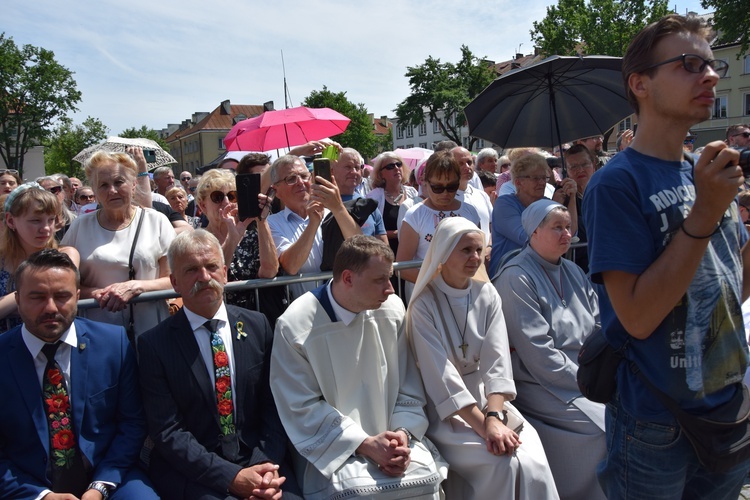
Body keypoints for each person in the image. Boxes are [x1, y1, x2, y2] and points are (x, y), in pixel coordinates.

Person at [583, 14, 750, 498]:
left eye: (711, 64)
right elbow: (635, 318)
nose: (712, 76)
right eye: (689, 64)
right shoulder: (617, 182)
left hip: (726, 406)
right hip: (656, 421)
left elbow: (731, 285)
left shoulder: (705, 174)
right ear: (641, 84)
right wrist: (704, 212)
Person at [270, 235, 445, 499]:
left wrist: (401, 436)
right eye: (379, 280)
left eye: (390, 277)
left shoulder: (392, 309)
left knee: (427, 482)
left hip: (393, 439)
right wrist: (365, 444)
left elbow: (409, 387)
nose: (391, 289)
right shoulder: (296, 325)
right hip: (334, 450)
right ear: (348, 278)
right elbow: (300, 406)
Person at [138, 230, 300, 500]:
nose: (204, 278)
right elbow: (168, 431)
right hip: (197, 473)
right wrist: (231, 477)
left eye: (212, 267)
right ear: (174, 282)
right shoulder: (154, 345)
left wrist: (264, 464)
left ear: (224, 272)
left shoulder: (257, 325)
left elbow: (275, 404)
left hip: (262, 463)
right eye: (191, 270)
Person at [406, 217, 558, 500]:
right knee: (501, 465)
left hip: (491, 401)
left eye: (479, 250)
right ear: (443, 251)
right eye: (466, 250)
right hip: (448, 411)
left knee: (533, 460)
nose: (475, 257)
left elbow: (497, 360)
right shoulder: (424, 304)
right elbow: (440, 375)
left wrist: (494, 415)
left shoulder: (487, 293)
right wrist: (484, 426)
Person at [0, 249, 157, 499]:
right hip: (26, 485)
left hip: (108, 475)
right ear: (18, 300)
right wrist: (41, 496)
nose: (50, 307)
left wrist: (101, 486)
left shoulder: (112, 344)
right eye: (37, 297)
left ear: (76, 296)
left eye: (62, 296)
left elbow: (133, 423)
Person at [495, 200, 605, 500]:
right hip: (538, 380)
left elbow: (597, 326)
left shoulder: (572, 270)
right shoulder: (515, 276)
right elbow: (538, 353)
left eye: (568, 227)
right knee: (603, 428)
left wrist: (601, 373)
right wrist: (589, 381)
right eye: (557, 227)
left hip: (586, 374)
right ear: (533, 232)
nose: (566, 234)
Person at [61, 150, 175, 341]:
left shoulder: (156, 221)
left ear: (133, 185)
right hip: (96, 333)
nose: (112, 190)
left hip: (151, 331)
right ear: (95, 192)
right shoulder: (80, 226)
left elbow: (174, 279)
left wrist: (138, 287)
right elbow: (65, 282)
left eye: (118, 182)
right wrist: (95, 294)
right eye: (103, 185)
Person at [266, 154, 361, 299]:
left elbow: (362, 247)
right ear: (276, 191)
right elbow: (291, 266)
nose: (300, 182)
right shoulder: (272, 223)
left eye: (304, 176)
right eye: (291, 179)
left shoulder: (334, 212)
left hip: (346, 304)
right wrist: (313, 223)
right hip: (305, 311)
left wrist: (339, 207)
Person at [0, 184, 80, 332]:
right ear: (11, 221)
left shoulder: (66, 255)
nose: (46, 228)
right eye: (35, 220)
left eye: (50, 220)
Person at [397, 150, 481, 284]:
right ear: (425, 182)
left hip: (464, 292)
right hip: (428, 293)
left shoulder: (470, 212)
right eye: (437, 187)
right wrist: (439, 284)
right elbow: (402, 266)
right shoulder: (415, 215)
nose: (445, 193)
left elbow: (478, 255)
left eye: (452, 187)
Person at [489, 152, 577, 278]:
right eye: (535, 178)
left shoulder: (546, 202)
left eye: (544, 178)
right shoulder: (504, 204)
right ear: (518, 182)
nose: (542, 183)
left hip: (542, 273)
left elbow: (571, 233)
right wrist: (553, 207)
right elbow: (526, 236)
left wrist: (572, 197)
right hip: (510, 274)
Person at [366, 151, 418, 254]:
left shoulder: (412, 192)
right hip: (385, 252)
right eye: (390, 166)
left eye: (398, 164)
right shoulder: (374, 196)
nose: (396, 168)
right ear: (381, 174)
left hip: (412, 252)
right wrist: (396, 233)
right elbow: (370, 230)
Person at [332, 147, 387, 242]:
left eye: (357, 167)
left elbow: (384, 247)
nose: (354, 172)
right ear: (332, 170)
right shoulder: (324, 203)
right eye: (348, 167)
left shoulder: (368, 204)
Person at [564, 143, 597, 272]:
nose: (580, 170)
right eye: (574, 167)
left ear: (593, 164)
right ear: (566, 170)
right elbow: (570, 232)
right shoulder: (563, 194)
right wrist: (571, 198)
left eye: (584, 164)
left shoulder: (603, 189)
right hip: (578, 265)